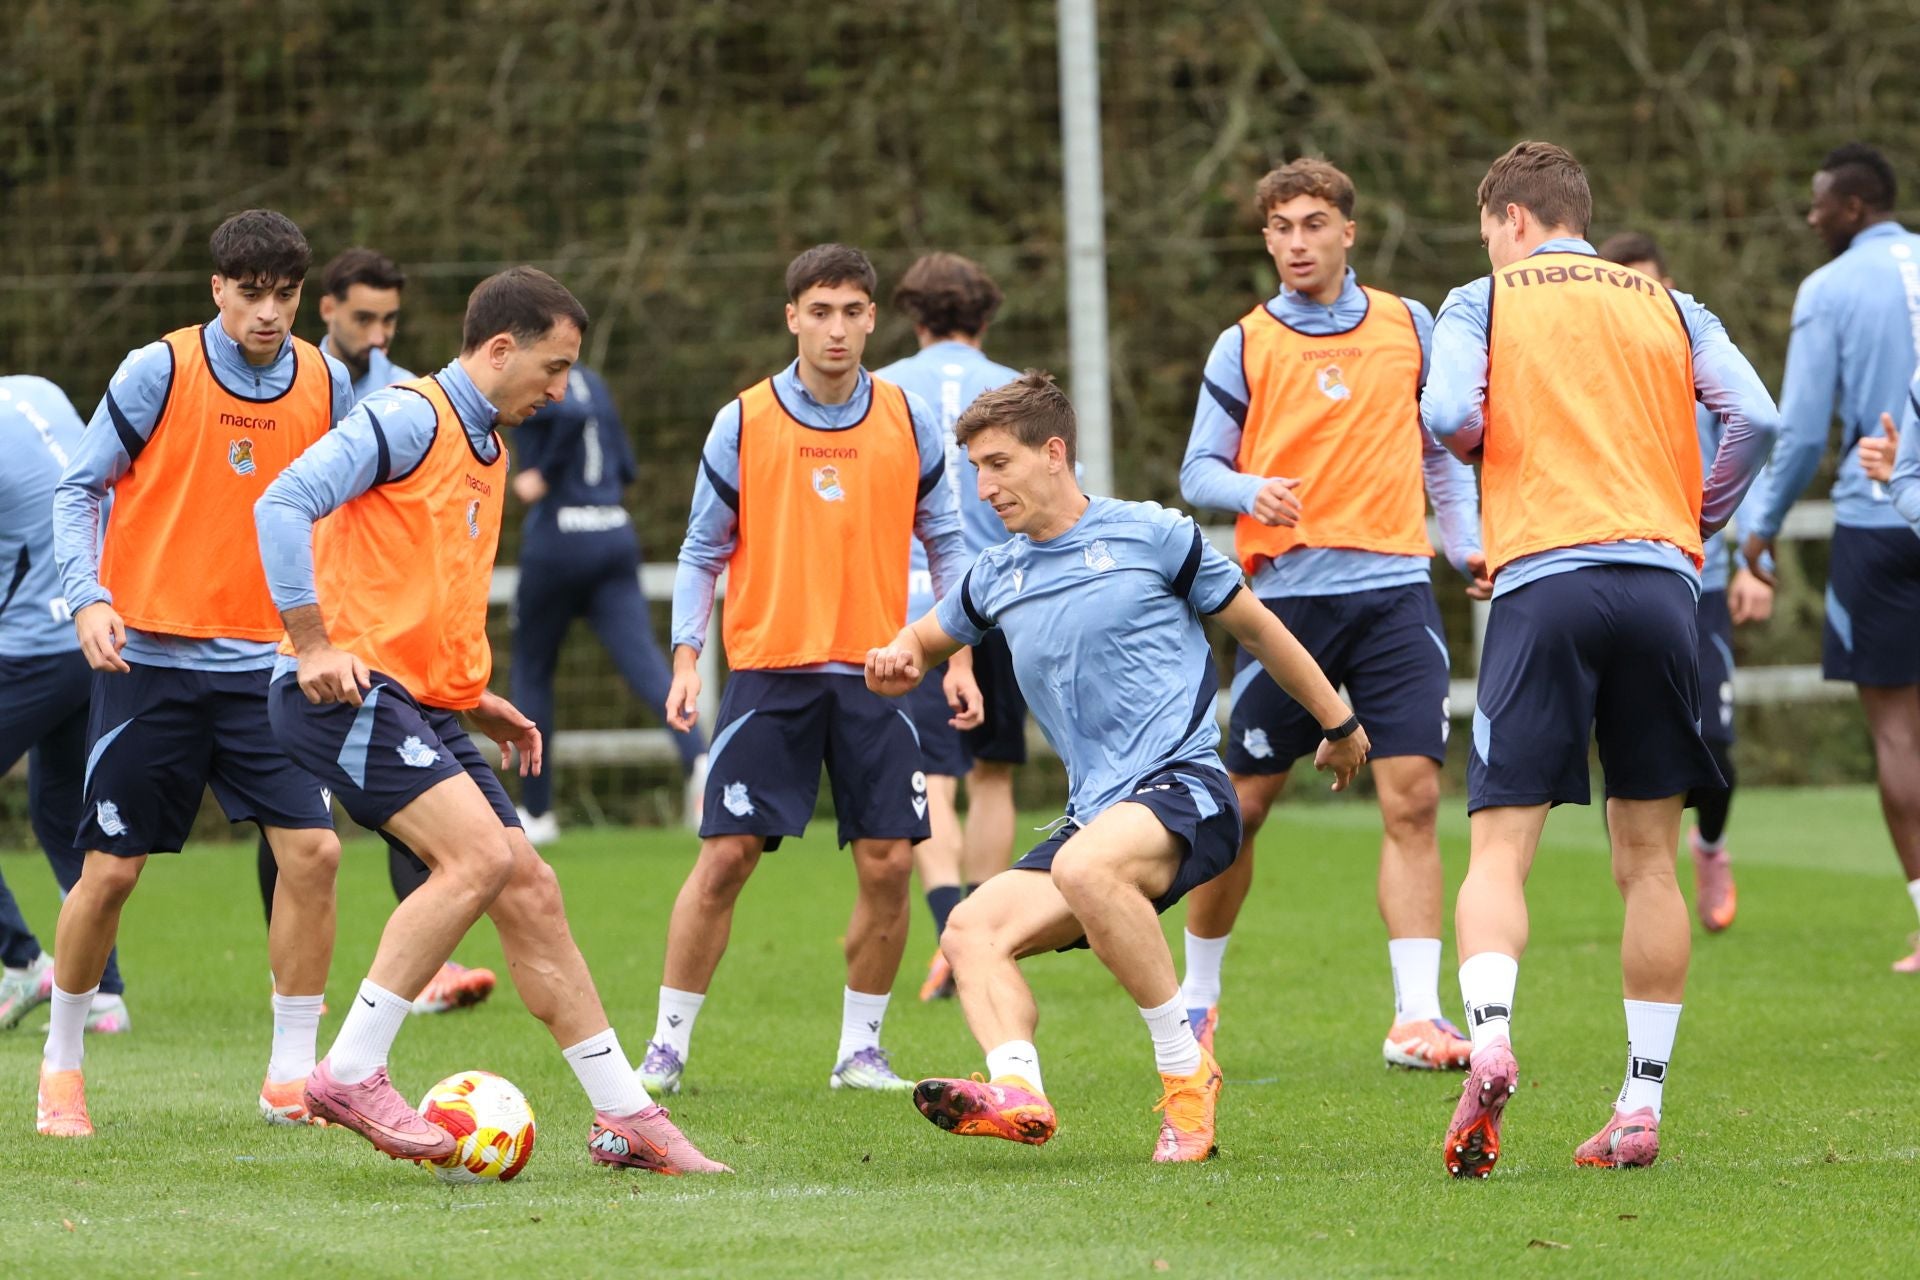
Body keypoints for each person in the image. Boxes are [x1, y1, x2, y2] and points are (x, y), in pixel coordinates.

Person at [255, 266, 726, 1174]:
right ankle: (348, 1072)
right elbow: (280, 501)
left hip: (420, 700)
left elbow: (417, 590)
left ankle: (627, 1114)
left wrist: (473, 699)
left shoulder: (489, 448)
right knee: (476, 859)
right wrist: (311, 644)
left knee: (529, 886)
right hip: (340, 693)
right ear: (501, 349)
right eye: (554, 368)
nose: (562, 389)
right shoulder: (407, 416)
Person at [869, 371, 1369, 1163]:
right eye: (975, 470)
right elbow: (925, 640)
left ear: (1053, 453)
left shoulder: (1151, 535)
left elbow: (1261, 631)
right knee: (969, 930)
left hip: (1185, 788)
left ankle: (1185, 1072)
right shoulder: (997, 573)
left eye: (998, 464)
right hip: (1093, 820)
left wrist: (1338, 722)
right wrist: (898, 658)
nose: (983, 487)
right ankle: (1017, 1088)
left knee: (1084, 866)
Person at [1422, 142, 1778, 1175]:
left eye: (1488, 230)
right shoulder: (1672, 304)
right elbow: (1757, 416)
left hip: (1546, 581)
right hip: (1664, 586)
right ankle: (1640, 1102)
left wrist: (1487, 447)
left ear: (1513, 219)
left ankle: (1491, 1036)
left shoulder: (1482, 300)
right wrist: (1696, 517)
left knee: (1500, 848)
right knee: (1650, 861)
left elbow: (1446, 414)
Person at [39, 210, 351, 1138]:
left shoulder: (327, 381)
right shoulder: (159, 370)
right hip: (151, 665)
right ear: (217, 288)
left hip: (268, 670)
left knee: (315, 853)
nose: (268, 313)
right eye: (251, 294)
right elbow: (78, 488)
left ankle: (290, 1078)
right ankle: (61, 1066)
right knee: (110, 873)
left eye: (285, 295)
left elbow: (345, 515)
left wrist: (331, 630)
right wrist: (87, 598)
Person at [1176, 158, 1487, 1070]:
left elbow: (1440, 455)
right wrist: (1249, 490)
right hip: (1285, 606)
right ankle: (1197, 1001)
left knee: (1415, 799)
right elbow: (1197, 471)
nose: (1298, 242)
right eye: (1281, 228)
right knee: (1243, 806)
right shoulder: (1244, 343)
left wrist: (1467, 544)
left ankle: (1416, 1018)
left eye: (1314, 224)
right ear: (1266, 239)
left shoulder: (1409, 323)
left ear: (1349, 230)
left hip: (1394, 591)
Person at [642, 244, 971, 1096]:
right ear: (792, 317)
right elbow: (701, 550)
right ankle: (666, 1048)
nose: (836, 329)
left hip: (882, 673)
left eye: (852, 312)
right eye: (819, 311)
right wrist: (686, 657)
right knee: (726, 858)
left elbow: (948, 543)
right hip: (771, 672)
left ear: (873, 318)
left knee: (890, 862)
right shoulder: (743, 419)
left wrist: (958, 653)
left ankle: (861, 1051)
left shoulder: (907, 418)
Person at [251, 246, 496, 1017]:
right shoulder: (289, 384)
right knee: (298, 817)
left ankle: (430, 964)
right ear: (326, 309)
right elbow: (277, 502)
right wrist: (306, 631)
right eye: (364, 317)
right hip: (293, 627)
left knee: (420, 794)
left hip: (375, 639)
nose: (379, 334)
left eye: (390, 319)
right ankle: (292, 982)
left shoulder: (409, 397)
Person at [1742, 143, 1920, 973]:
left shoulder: (1830, 288)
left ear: (1853, 207)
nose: (1810, 217)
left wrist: (1761, 528)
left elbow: (1803, 429)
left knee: (1897, 733)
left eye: (1819, 203)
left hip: (1879, 521)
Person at [1598, 231, 1778, 933]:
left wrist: (1754, 562)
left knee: (1717, 743)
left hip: (1700, 585)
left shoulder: (1701, 365)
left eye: (1653, 285)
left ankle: (1708, 849)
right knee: (1628, 744)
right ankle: (1647, 888)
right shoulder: (1589, 373)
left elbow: (1752, 445)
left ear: (1670, 288)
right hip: (1618, 583)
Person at [875, 251, 1023, 1002]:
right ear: (985, 316)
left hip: (915, 604)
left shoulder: (882, 390)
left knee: (930, 773)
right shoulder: (1017, 389)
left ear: (913, 315)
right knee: (993, 773)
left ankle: (949, 935)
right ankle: (983, 936)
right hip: (1002, 597)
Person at [507, 364, 708, 845]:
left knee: (532, 669)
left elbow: (571, 415)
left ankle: (537, 812)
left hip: (558, 537)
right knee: (645, 664)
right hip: (614, 529)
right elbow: (627, 464)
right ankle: (699, 760)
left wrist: (543, 473)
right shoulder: (594, 380)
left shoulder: (530, 375)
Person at [0, 377, 128, 1036]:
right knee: (57, 813)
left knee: (60, 812)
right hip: (93, 632)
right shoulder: (38, 390)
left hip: (31, 650)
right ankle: (101, 992)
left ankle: (21, 960)